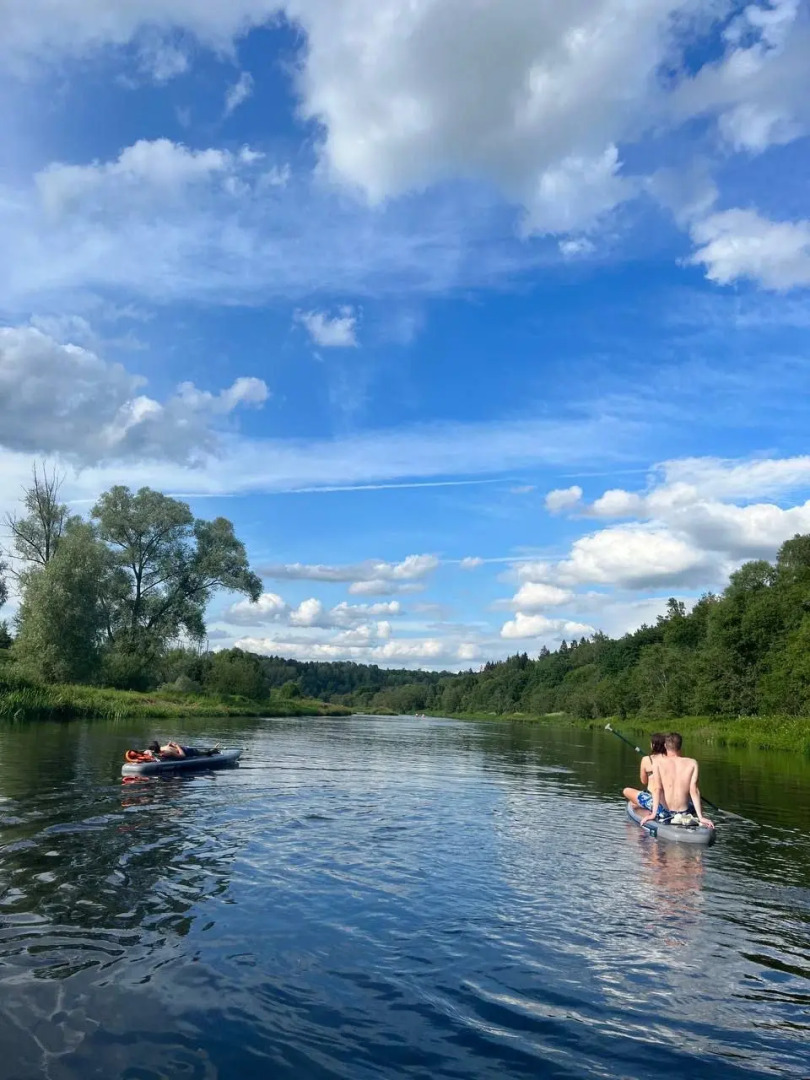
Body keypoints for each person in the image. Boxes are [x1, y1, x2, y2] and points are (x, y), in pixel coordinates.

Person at [640, 732, 714, 830]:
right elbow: (694, 791)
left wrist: (653, 814)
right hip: (685, 812)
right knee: (697, 802)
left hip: (665, 812)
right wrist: (701, 817)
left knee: (639, 796)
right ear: (680, 746)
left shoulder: (657, 763)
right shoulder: (692, 763)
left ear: (665, 745)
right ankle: (696, 815)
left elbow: (657, 789)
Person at [623, 733, 668, 817]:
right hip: (669, 799)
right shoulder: (672, 760)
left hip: (654, 799)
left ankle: (646, 806)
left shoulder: (646, 759)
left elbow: (644, 781)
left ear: (653, 745)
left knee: (626, 791)